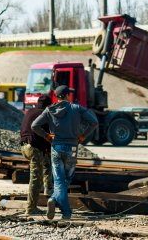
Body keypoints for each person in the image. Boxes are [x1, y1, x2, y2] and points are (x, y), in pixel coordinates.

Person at [31, 85, 98, 220]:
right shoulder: (76, 108)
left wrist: (46, 136)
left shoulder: (49, 110)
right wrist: (83, 135)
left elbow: (34, 126)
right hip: (72, 147)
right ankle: (66, 212)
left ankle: (54, 198)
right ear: (68, 95)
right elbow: (94, 122)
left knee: (59, 180)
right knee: (66, 179)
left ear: (56, 96)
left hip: (56, 147)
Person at [20, 94, 54, 215]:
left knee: (46, 161)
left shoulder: (30, 111)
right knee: (35, 177)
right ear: (48, 105)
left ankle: (47, 188)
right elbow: (47, 137)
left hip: (24, 147)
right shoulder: (44, 114)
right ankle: (31, 208)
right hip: (34, 148)